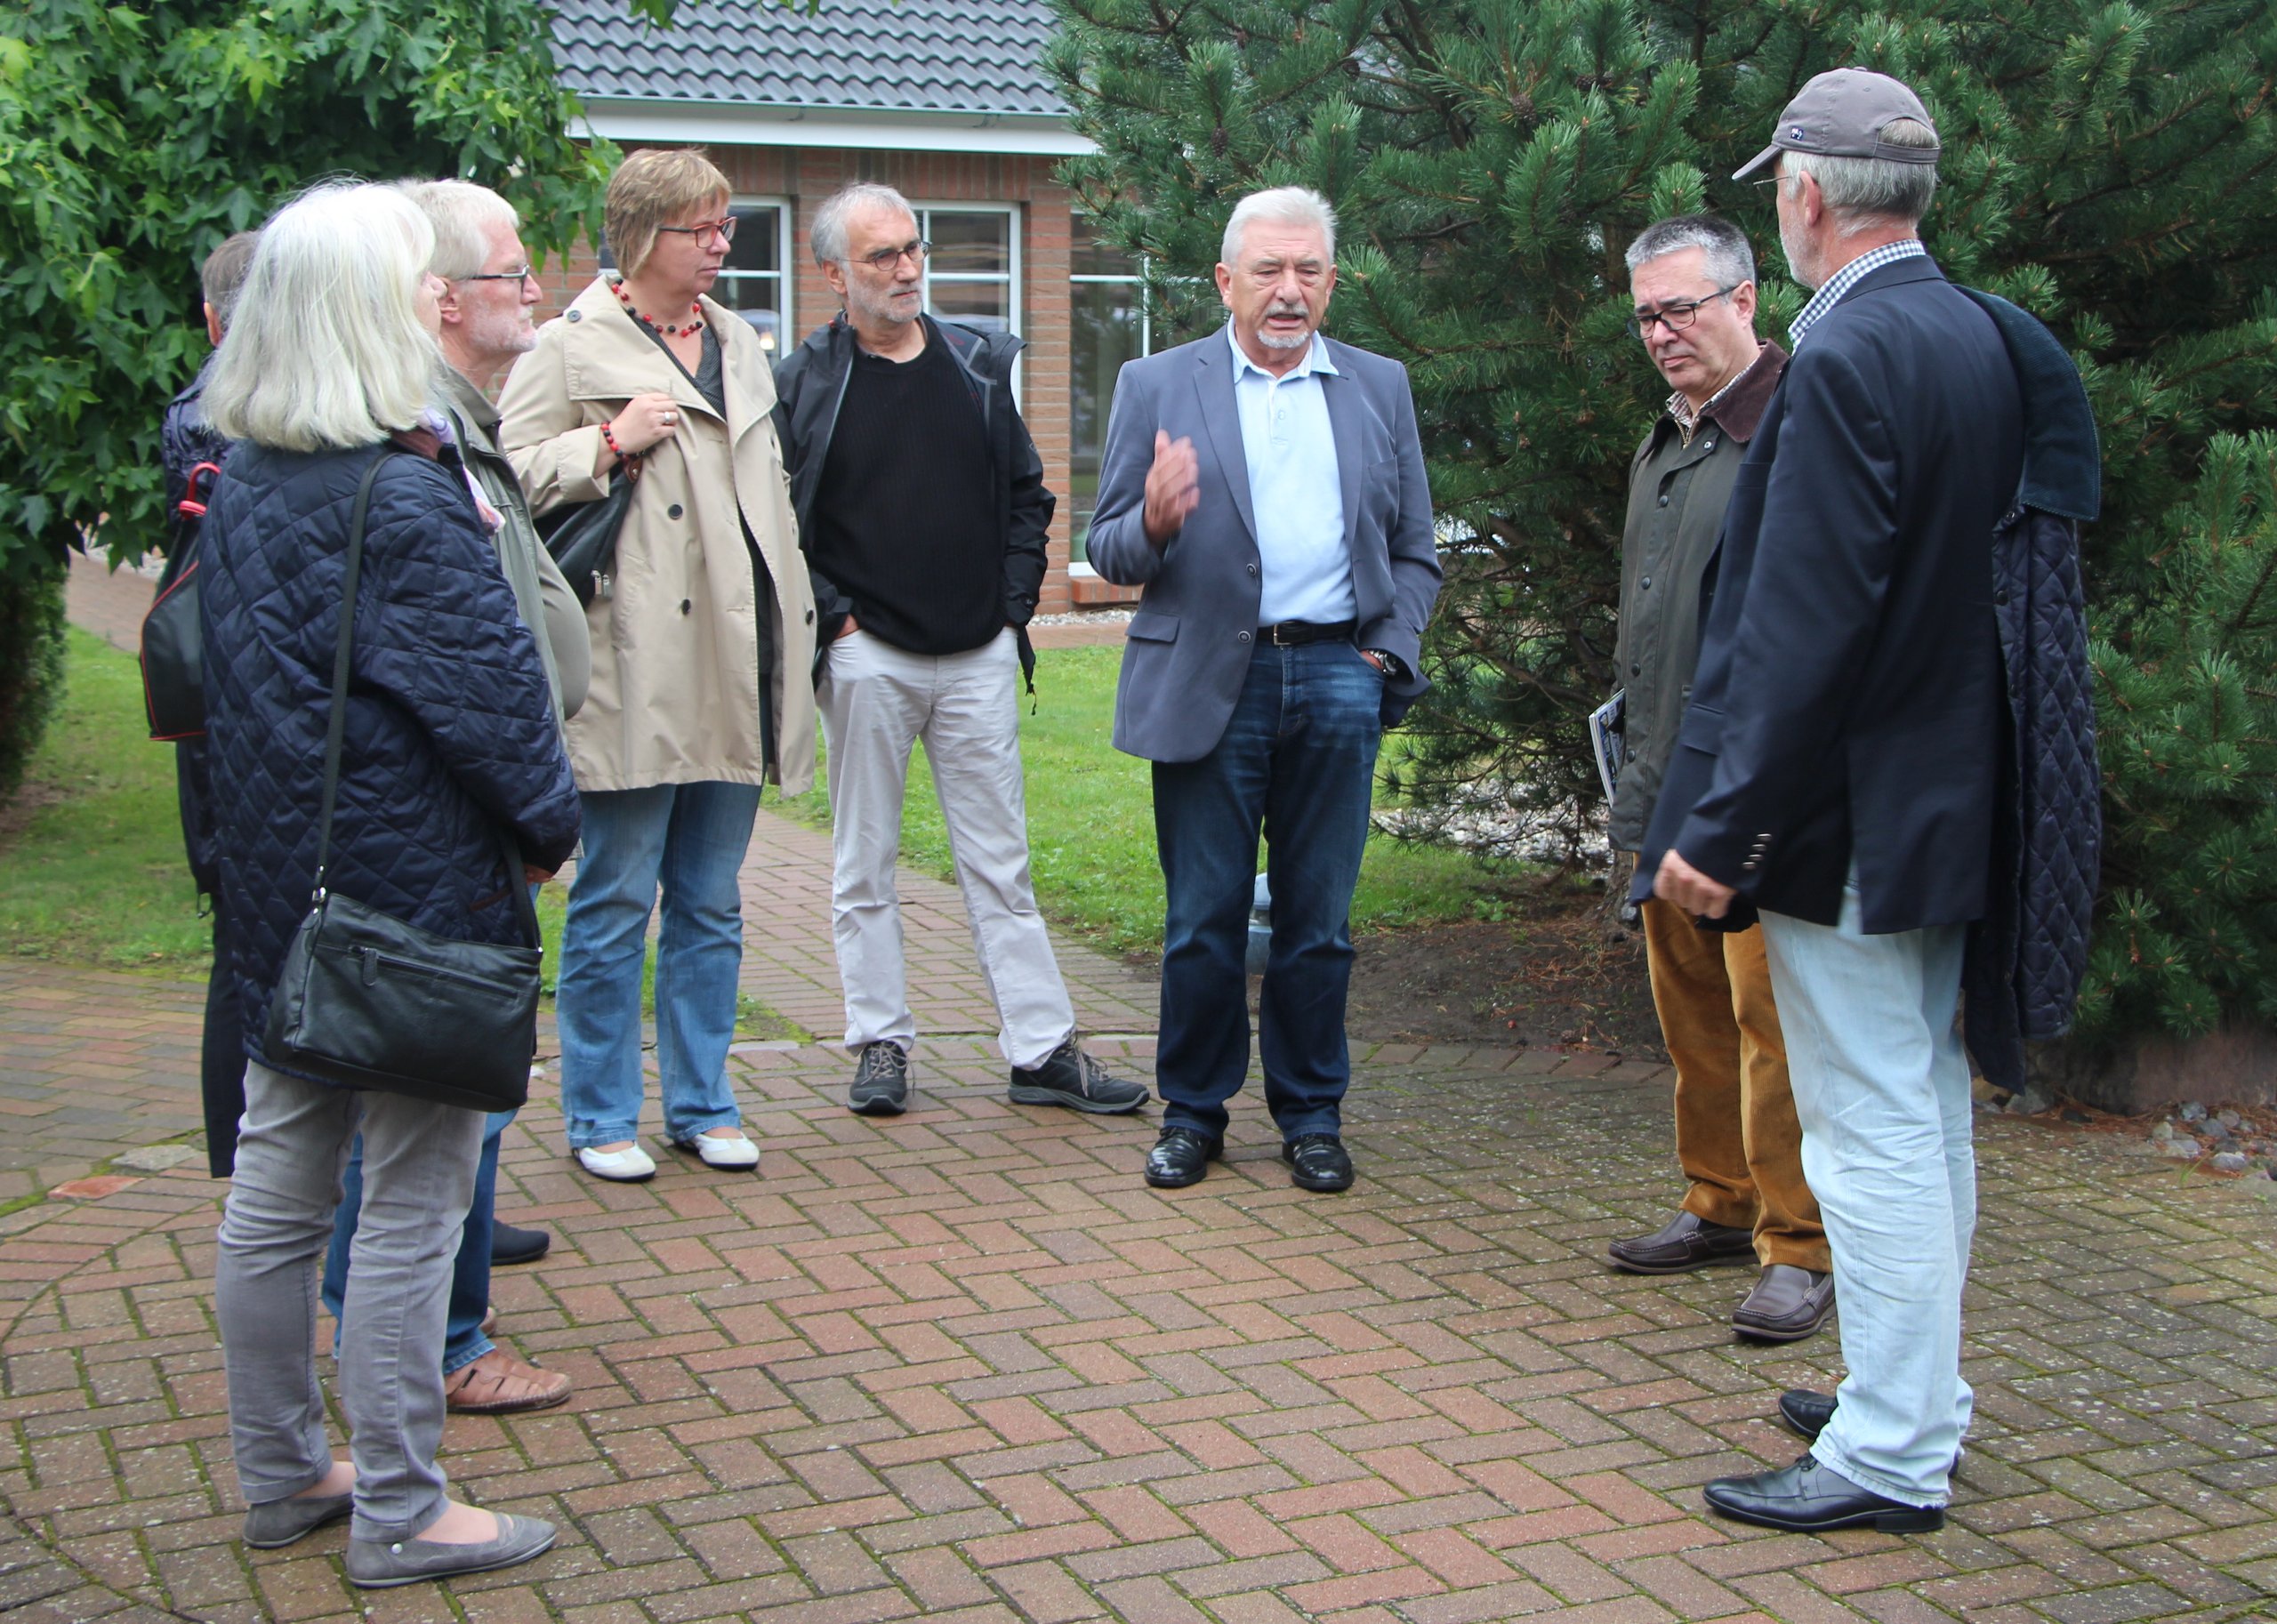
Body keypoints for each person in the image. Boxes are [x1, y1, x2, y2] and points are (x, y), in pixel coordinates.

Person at [1639, 69, 2064, 1534]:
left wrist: (1723, 826)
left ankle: (1890, 1449)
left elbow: (1803, 622)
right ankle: (1913, 1398)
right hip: (1951, 794)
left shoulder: (1844, 350)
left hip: (1862, 817)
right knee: (1923, 1112)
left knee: (1870, 1128)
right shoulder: (1974, 330)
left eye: (1778, 186)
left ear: (1804, 195)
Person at [201, 181, 575, 1585]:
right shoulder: (404, 494)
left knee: (279, 1190)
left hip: (284, 899)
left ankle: (283, 1470)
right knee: (415, 1206)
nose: (439, 298)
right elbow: (503, 716)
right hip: (413, 909)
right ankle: (405, 1508)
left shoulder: (248, 474)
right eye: (421, 280)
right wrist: (548, 831)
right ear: (369, 307)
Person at [1086, 186, 1441, 1194]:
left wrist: (1383, 656)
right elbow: (1107, 548)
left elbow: (1414, 548)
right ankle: (1193, 1114)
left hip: (1336, 674)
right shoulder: (1158, 383)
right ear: (1225, 281)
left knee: (1317, 922)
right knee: (1202, 919)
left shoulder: (1378, 385)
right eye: (1268, 270)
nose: (1289, 291)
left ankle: (1312, 1114)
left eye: (1308, 271)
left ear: (1332, 283)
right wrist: (1153, 520)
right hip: (1212, 679)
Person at [772, 182, 1147, 1119]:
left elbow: (1028, 495)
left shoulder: (975, 363)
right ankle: (881, 1044)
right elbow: (776, 520)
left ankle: (1041, 1051)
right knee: (864, 863)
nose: (906, 269)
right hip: (868, 656)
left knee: (1000, 864)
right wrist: (837, 621)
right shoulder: (803, 382)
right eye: (882, 256)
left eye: (913, 249)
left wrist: (1010, 606)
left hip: (976, 653)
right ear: (834, 275)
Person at [318, 180, 594, 1419]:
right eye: (510, 271)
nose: (532, 288)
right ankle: (437, 1344)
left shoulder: (459, 422)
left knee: (450, 1108)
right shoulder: (417, 441)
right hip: (453, 826)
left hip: (476, 813)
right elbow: (452, 670)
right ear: (439, 296)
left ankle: (428, 1316)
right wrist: (530, 814)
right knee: (437, 1100)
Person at [501, 148, 818, 1182]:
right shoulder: (566, 345)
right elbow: (502, 478)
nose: (721, 244)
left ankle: (703, 1101)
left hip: (737, 658)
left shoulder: (739, 341)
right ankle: (599, 1110)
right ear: (641, 235)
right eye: (701, 228)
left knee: (711, 901)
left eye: (727, 226)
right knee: (614, 899)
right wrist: (604, 442)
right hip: (634, 663)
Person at [1606, 215, 1831, 1343]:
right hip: (1663, 779)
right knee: (1691, 1012)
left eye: (1680, 309)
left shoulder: (1797, 425)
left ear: (1746, 299)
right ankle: (1719, 1199)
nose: (1661, 333)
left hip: (1752, 790)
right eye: (1646, 316)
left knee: (1769, 1020)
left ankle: (1801, 1243)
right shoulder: (1663, 443)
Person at [157, 229, 257, 1178]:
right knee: (244, 937)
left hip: (228, 711)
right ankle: (244, 1171)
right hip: (237, 716)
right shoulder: (228, 419)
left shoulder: (210, 405)